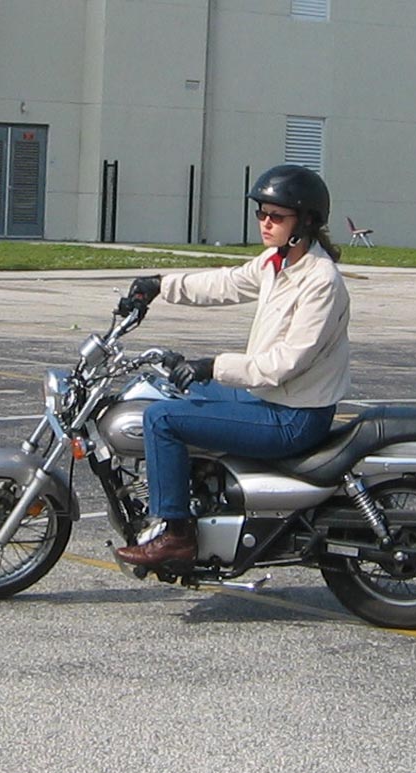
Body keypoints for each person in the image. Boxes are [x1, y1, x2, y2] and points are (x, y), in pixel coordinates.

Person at [113, 164, 351, 573]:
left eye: (276, 216)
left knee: (162, 419)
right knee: (171, 390)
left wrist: (213, 366)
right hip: (270, 397)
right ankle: (201, 492)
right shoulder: (278, 263)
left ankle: (177, 535)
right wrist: (159, 285)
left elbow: (285, 363)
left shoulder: (320, 281)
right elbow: (225, 283)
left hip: (293, 416)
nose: (265, 223)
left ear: (306, 221)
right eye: (261, 213)